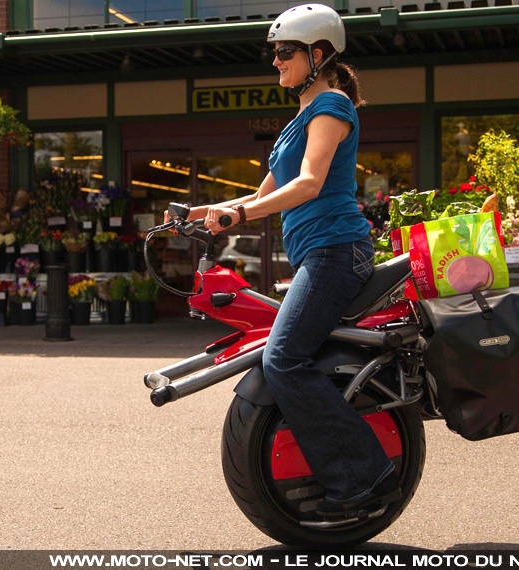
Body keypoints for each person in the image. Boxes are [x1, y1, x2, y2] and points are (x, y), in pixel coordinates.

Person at [173, 4, 400, 519]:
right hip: (318, 255)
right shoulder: (300, 120)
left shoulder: (332, 106)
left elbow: (309, 184)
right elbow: (263, 195)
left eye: (285, 52)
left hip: (336, 251)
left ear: (318, 54)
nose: (275, 61)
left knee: (283, 359)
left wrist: (237, 215)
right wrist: (203, 213)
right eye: (274, 53)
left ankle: (365, 477)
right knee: (283, 354)